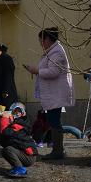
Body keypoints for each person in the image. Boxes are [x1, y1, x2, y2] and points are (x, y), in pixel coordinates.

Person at [24, 27, 74, 160]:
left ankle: (58, 151)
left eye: (41, 40)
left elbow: (54, 72)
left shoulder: (57, 52)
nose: (41, 44)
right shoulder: (52, 51)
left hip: (55, 94)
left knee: (54, 121)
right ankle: (58, 150)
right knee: (53, 121)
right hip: (53, 93)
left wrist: (36, 71)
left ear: (47, 39)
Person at [0, 103, 39, 178]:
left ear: (23, 113)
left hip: (29, 157)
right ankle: (17, 167)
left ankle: (20, 169)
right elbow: (3, 140)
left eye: (19, 112)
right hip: (25, 154)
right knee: (5, 150)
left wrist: (4, 118)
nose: (16, 114)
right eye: (14, 112)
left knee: (8, 150)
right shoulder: (15, 123)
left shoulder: (20, 124)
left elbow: (5, 132)